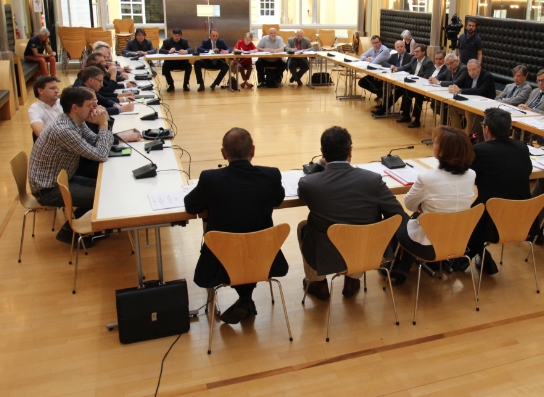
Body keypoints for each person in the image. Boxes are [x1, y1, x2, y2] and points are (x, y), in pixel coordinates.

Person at [184, 128, 287, 324]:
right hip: (264, 257)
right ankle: (245, 299)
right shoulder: (271, 176)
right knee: (248, 240)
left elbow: (191, 206)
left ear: (223, 153)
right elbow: (278, 200)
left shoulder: (210, 179)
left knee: (236, 241)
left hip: (220, 263)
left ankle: (245, 300)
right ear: (253, 150)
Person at [297, 126, 407, 300]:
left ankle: (318, 283)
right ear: (350, 151)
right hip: (366, 252)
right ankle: (353, 279)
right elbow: (398, 216)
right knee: (361, 224)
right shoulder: (373, 180)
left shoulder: (308, 185)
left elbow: (305, 187)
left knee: (305, 226)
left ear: (322, 152)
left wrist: (319, 165)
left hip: (329, 255)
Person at [390, 126, 475, 283]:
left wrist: (423, 205)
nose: (433, 145)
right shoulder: (471, 175)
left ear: (442, 151)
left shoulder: (427, 178)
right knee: (420, 217)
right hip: (459, 240)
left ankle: (397, 265)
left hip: (429, 246)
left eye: (435, 143)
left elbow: (409, 204)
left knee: (398, 216)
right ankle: (403, 266)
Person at [28, 87, 112, 243]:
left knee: (106, 187)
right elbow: (100, 154)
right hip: (49, 190)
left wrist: (102, 126)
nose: (93, 108)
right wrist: (103, 124)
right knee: (103, 197)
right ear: (75, 107)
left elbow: (96, 141)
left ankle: (83, 219)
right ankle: (70, 232)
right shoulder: (64, 130)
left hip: (64, 179)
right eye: (89, 105)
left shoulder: (75, 121)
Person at [468, 109, 533, 267]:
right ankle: (480, 257)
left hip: (492, 220)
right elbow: (528, 171)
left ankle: (466, 258)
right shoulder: (522, 148)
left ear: (486, 129)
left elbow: (468, 177)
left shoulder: (480, 150)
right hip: (522, 217)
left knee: (464, 216)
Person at [449, 59, 496, 133]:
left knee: (469, 111)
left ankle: (469, 137)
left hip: (484, 107)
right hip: (471, 103)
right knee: (452, 107)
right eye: (469, 70)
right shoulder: (467, 74)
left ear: (479, 68)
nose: (471, 72)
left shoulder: (487, 76)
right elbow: (457, 83)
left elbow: (479, 91)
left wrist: (460, 91)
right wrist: (453, 87)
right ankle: (457, 134)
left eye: (474, 69)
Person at [395, 43, 435, 128]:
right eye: (414, 51)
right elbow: (406, 66)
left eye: (417, 51)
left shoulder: (428, 62)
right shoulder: (414, 59)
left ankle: (416, 120)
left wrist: (415, 77)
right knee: (406, 91)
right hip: (414, 84)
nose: (415, 53)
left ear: (423, 52)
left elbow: (426, 76)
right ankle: (406, 115)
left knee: (418, 96)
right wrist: (397, 68)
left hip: (423, 87)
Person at [371, 40, 413, 116]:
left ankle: (383, 109)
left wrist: (399, 70)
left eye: (401, 46)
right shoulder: (394, 56)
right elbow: (384, 63)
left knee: (397, 92)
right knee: (380, 85)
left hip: (404, 80)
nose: (400, 48)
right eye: (398, 47)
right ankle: (382, 106)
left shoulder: (410, 57)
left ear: (404, 47)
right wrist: (391, 66)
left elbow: (410, 68)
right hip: (394, 78)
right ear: (395, 48)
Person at [358, 36, 392, 104]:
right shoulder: (372, 49)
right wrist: (366, 58)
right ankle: (381, 95)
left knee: (374, 85)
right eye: (373, 43)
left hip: (384, 74)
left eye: (376, 43)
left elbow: (374, 62)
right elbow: (362, 56)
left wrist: (371, 58)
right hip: (374, 72)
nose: (375, 45)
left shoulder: (385, 50)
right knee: (362, 82)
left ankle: (384, 96)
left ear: (380, 42)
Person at [159, 28, 192, 92]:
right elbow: (161, 50)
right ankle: (171, 84)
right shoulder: (166, 41)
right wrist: (168, 51)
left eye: (178, 36)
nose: (177, 37)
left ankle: (185, 84)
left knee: (189, 66)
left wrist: (186, 51)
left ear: (181, 36)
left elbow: (191, 49)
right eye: (175, 36)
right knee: (165, 66)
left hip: (182, 62)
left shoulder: (184, 41)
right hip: (171, 63)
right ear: (172, 35)